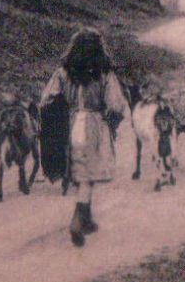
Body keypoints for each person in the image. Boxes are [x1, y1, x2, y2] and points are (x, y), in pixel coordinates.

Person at [39, 27, 131, 246]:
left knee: (81, 173)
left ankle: (87, 219)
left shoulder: (63, 72)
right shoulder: (104, 74)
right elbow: (117, 105)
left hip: (71, 124)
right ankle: (77, 221)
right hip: (94, 125)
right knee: (87, 177)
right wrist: (112, 120)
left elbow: (46, 99)